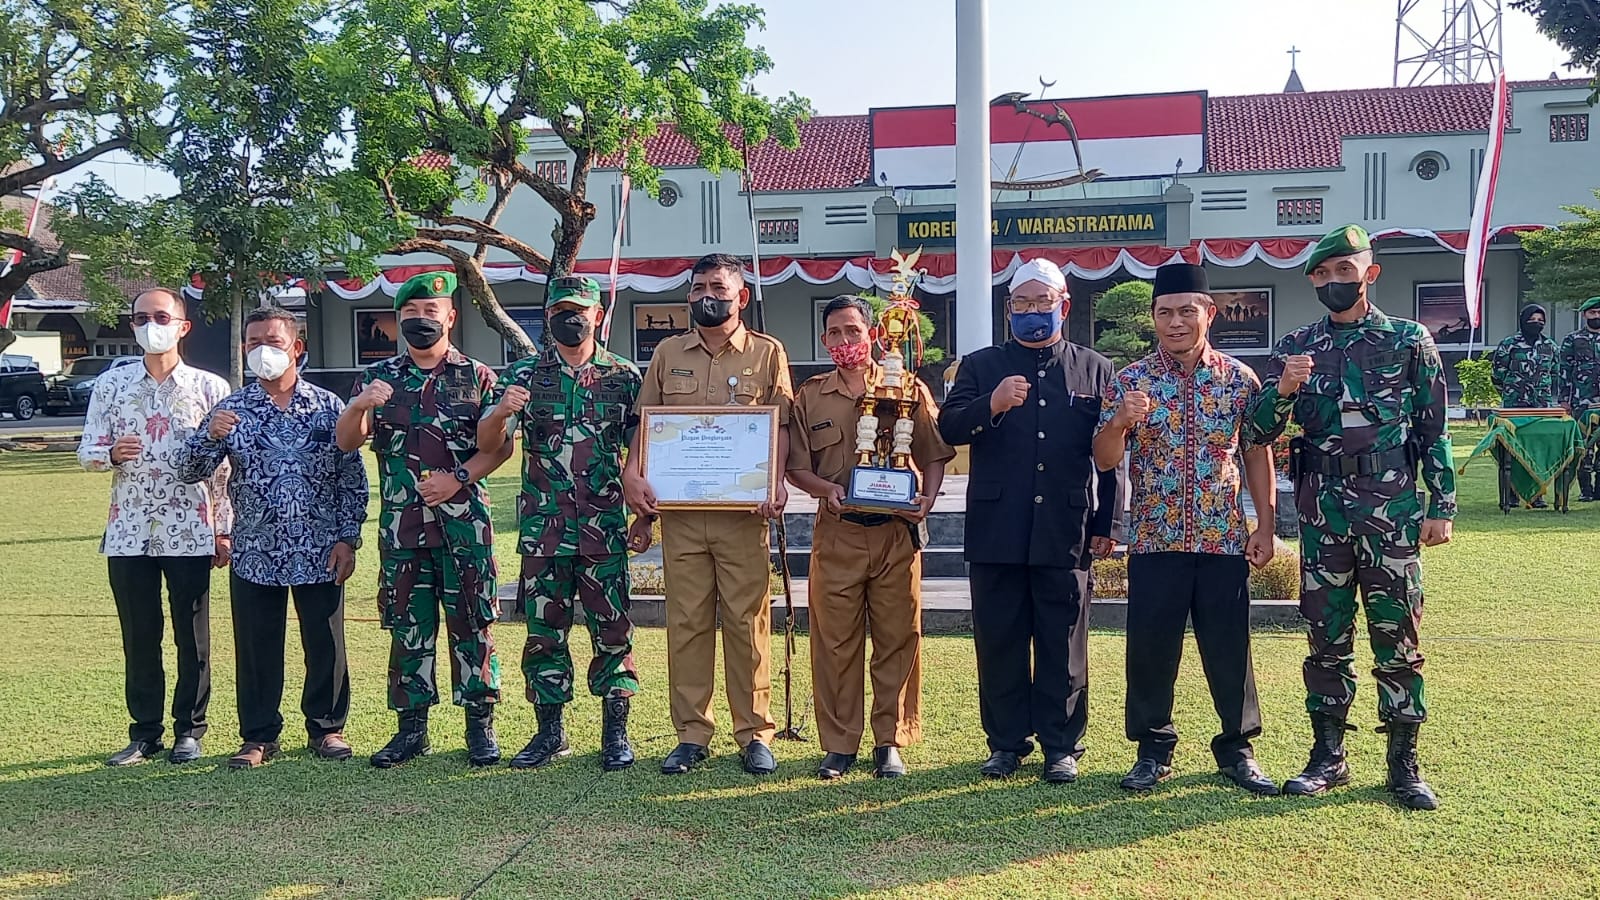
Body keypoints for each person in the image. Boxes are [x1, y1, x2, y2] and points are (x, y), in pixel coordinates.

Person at [1242, 224, 1454, 811]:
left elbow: (1433, 430)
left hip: (1391, 512)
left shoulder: (1410, 341)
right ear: (1312, 280)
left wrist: (1442, 506)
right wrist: (1283, 387)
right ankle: (1327, 756)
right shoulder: (1298, 346)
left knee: (1398, 638)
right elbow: (1256, 433)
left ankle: (1403, 762)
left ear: (1369, 273)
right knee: (1325, 638)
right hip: (1323, 515)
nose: (1334, 281)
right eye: (1323, 273)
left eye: (1344, 270)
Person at [1092, 263, 1279, 796]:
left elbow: (1256, 454)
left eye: (1186, 311)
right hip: (1155, 537)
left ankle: (1238, 748)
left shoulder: (1239, 380)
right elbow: (1104, 459)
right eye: (1165, 313)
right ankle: (1152, 750)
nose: (1175, 322)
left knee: (1228, 646)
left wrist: (1264, 524)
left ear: (1209, 314)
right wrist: (1119, 422)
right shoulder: (1130, 381)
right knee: (1151, 648)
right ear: (1153, 317)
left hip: (1222, 537)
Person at [937, 258, 1121, 784]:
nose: (1033, 312)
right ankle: (1006, 743)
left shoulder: (1094, 367)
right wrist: (990, 406)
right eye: (1023, 304)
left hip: (1066, 526)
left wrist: (1106, 520)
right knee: (1000, 639)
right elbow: (948, 427)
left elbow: (1109, 454)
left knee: (1063, 639)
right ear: (1008, 310)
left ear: (1064, 306)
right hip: (997, 526)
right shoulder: (979, 365)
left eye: (1044, 303)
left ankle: (1061, 745)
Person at [622, 253, 793, 776]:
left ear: (741, 296)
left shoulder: (767, 354)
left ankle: (755, 733)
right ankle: (692, 733)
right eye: (697, 288)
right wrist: (632, 475)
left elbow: (780, 428)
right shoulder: (668, 352)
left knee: (748, 624)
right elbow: (646, 425)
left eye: (716, 287)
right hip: (682, 517)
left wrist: (776, 481)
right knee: (688, 624)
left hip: (744, 516)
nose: (705, 296)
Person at [174, 306, 368, 769]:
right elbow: (189, 471)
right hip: (256, 550)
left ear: (297, 348)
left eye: (273, 343)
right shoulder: (232, 410)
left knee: (325, 642)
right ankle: (259, 735)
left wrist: (348, 538)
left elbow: (351, 478)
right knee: (257, 646)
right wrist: (207, 436)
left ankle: (327, 728)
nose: (263, 351)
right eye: (253, 343)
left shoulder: (327, 407)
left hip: (319, 548)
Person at [335, 271, 514, 769]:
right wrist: (358, 405)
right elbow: (348, 442)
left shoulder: (478, 377)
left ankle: (480, 727)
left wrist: (458, 478)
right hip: (404, 529)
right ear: (398, 322)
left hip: (464, 527)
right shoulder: (380, 379)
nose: (420, 322)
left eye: (429, 313)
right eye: (409, 315)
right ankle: (411, 730)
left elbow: (499, 447)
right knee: (408, 629)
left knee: (473, 624)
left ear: (450, 317)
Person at [478, 276, 649, 772]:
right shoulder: (525, 375)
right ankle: (550, 733)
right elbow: (492, 444)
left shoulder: (624, 376)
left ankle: (615, 733)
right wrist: (502, 409)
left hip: (604, 529)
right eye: (559, 309)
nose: (569, 318)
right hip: (544, 531)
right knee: (544, 633)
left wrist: (642, 515)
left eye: (578, 310)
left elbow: (640, 453)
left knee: (612, 630)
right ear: (548, 313)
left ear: (597, 315)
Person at [785, 295, 955, 780]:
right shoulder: (810, 396)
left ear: (872, 335)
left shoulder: (905, 387)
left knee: (898, 637)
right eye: (835, 333)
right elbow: (798, 467)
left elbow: (934, 451)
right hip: (838, 534)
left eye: (853, 332)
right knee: (834, 643)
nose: (845, 342)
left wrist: (929, 497)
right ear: (824, 340)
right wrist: (826, 490)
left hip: (895, 536)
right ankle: (839, 744)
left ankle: (889, 741)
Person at [77, 287, 233, 766]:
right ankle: (144, 733)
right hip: (128, 530)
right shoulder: (112, 384)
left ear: (183, 326)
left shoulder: (210, 388)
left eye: (161, 316)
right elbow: (85, 450)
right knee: (139, 636)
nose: (151, 324)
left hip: (189, 529)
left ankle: (190, 730)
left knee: (192, 636)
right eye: (141, 317)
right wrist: (108, 455)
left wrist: (223, 529)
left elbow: (226, 469)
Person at [1558, 297, 1600, 502]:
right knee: (1583, 446)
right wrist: (1564, 399)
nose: (1597, 316)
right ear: (1584, 315)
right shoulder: (1572, 339)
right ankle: (1586, 490)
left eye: (1599, 313)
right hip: (1581, 402)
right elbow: (1564, 371)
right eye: (1592, 313)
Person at [1490, 304, 1560, 408]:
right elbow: (1497, 374)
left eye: (1540, 320)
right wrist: (1510, 390)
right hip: (1514, 401)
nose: (1536, 322)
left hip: (1542, 402)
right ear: (1523, 320)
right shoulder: (1509, 344)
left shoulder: (1550, 346)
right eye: (1532, 319)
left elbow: (1555, 372)